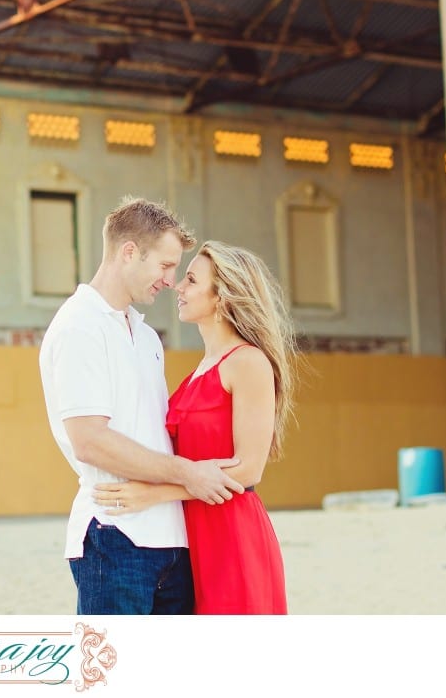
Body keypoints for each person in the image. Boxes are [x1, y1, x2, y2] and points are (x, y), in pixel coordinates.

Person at [39, 198, 244, 616]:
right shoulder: (80, 326)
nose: (170, 281)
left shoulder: (147, 337)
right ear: (129, 252)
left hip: (174, 540)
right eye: (166, 266)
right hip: (115, 537)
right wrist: (189, 473)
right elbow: (90, 442)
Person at [93, 240, 297, 614]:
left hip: (232, 534)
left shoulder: (247, 362)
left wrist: (154, 494)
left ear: (222, 298)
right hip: (192, 536)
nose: (177, 287)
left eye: (190, 280)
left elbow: (249, 469)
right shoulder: (197, 372)